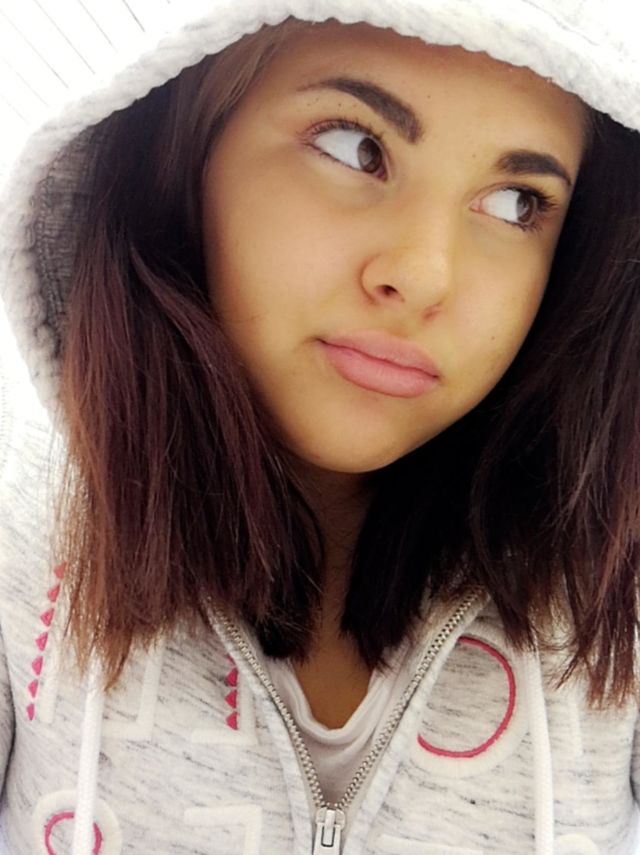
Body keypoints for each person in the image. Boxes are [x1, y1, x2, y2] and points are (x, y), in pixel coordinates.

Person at [0, 1, 639, 852]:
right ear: (183, 157)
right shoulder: (17, 537)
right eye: (354, 146)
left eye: (517, 202)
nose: (424, 274)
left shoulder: (617, 577)